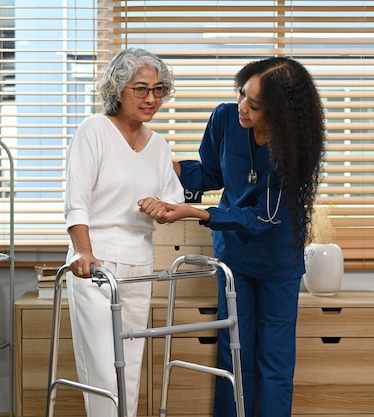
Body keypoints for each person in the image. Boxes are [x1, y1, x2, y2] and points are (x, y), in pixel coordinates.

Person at [138, 57, 325, 417]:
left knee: (274, 362)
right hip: (234, 259)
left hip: (277, 261)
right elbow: (210, 173)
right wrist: (164, 165)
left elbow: (265, 216)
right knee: (234, 352)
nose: (242, 107)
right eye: (242, 94)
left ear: (280, 112)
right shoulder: (225, 118)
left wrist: (196, 212)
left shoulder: (296, 147)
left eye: (254, 105)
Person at [64, 48, 185, 417]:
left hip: (139, 265)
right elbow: (76, 201)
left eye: (159, 89)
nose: (151, 98)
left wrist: (162, 210)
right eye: (141, 88)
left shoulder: (159, 146)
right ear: (117, 90)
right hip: (95, 267)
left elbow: (172, 203)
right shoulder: (94, 131)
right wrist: (83, 252)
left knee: (129, 368)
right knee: (103, 369)